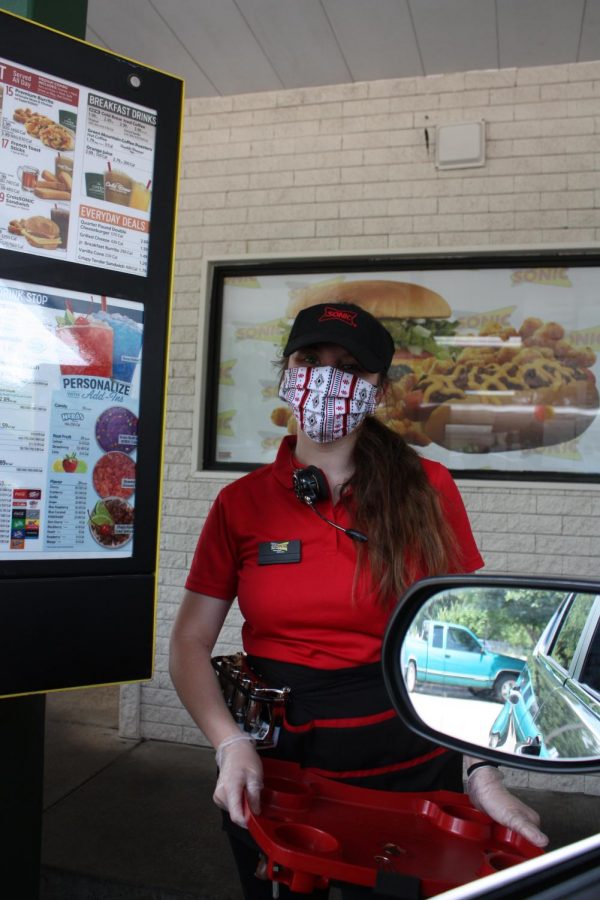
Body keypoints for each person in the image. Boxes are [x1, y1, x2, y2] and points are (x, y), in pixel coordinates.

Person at [170, 301, 548, 900]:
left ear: (378, 389)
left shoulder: (429, 489)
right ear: (286, 372)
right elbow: (188, 642)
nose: (325, 378)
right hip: (281, 764)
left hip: (409, 758)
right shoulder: (241, 504)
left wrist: (479, 770)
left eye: (349, 367)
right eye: (310, 359)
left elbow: (462, 622)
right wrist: (229, 743)